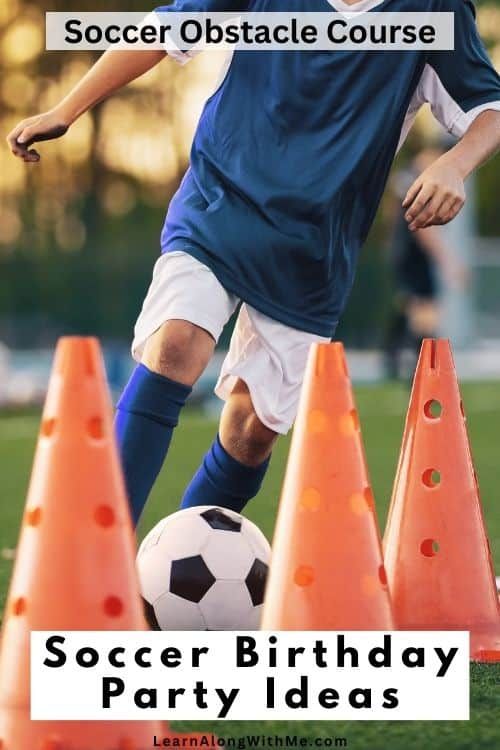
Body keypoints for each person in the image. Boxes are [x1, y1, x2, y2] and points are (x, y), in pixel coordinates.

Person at [7, 0, 500, 524]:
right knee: (176, 342)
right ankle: (102, 551)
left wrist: (456, 163)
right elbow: (162, 29)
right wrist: (65, 110)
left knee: (251, 429)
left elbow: (488, 108)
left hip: (313, 246)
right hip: (221, 201)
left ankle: (179, 564)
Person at [385, 147, 468, 379]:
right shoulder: (423, 182)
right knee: (426, 313)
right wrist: (449, 262)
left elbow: (395, 215)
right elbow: (423, 229)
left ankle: (395, 359)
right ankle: (420, 372)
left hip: (404, 253)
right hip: (413, 255)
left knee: (410, 308)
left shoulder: (405, 180)